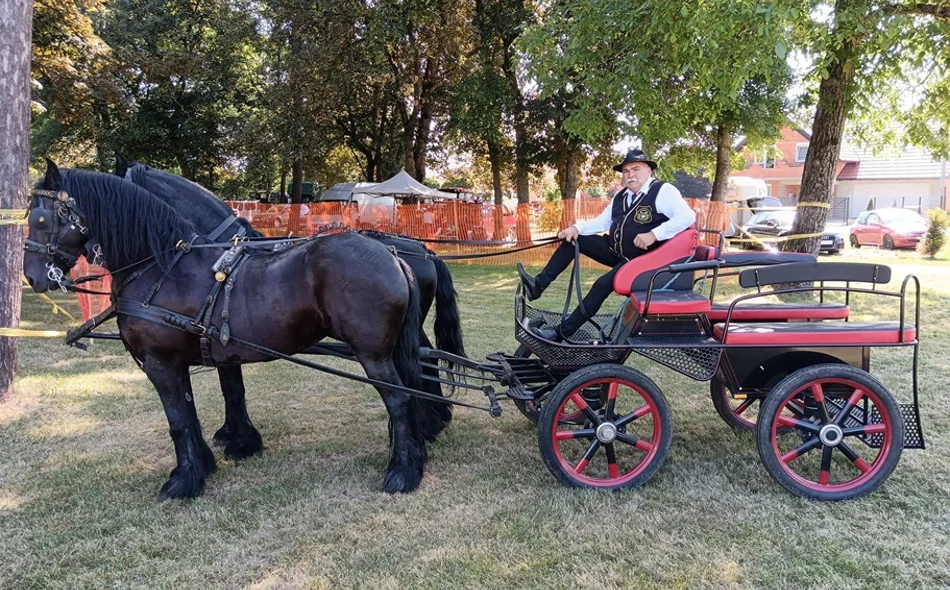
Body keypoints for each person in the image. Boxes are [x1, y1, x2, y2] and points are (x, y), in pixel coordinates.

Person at [517, 148, 696, 341]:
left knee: (601, 284)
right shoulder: (621, 196)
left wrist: (654, 234)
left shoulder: (662, 191)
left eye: (636, 169)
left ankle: (560, 333)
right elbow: (603, 222)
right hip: (617, 251)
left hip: (642, 261)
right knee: (575, 240)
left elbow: (687, 217)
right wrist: (576, 228)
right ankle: (538, 285)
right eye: (626, 171)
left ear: (648, 170)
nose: (630, 175)